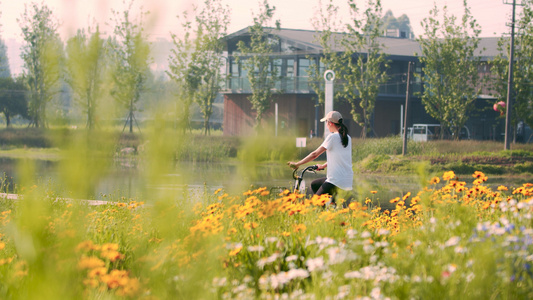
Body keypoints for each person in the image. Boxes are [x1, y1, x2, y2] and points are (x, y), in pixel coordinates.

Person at [287, 111, 353, 202]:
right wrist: (323, 166)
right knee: (315, 184)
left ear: (330, 123)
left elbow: (314, 154)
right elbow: (339, 158)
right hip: (347, 181)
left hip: (336, 181)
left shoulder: (332, 137)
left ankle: (321, 211)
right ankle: (326, 210)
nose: (326, 125)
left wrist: (298, 164)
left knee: (315, 203)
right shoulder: (347, 138)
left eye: (326, 122)